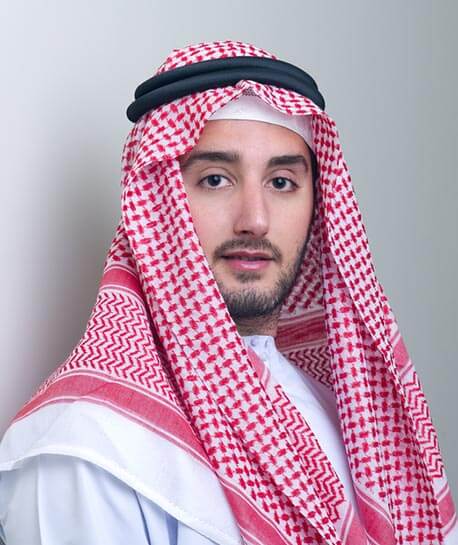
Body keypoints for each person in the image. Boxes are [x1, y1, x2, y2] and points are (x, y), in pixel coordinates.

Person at [0, 40, 456, 545]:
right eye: (216, 179)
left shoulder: (347, 423)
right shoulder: (87, 450)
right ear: (158, 204)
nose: (255, 219)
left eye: (282, 182)